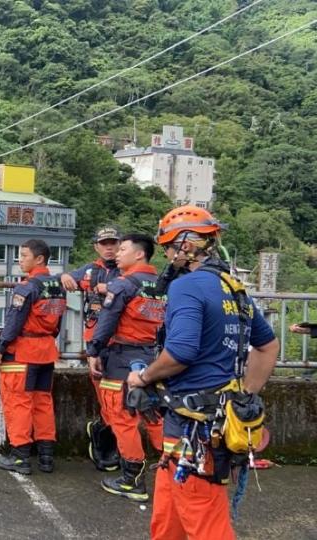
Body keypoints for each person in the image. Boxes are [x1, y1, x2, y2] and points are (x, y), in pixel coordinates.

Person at [126, 205, 279, 540]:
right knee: (168, 519)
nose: (167, 254)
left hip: (194, 428)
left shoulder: (187, 287)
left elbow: (179, 353)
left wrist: (143, 376)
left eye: (168, 246)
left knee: (205, 522)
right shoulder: (233, 289)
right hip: (206, 423)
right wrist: (244, 397)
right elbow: (268, 347)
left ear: (185, 245)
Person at [85, 233, 165, 500]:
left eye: (123, 249)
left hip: (120, 359)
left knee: (122, 418)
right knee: (153, 415)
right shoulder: (163, 285)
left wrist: (94, 350)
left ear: (139, 254)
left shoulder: (123, 285)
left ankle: (132, 478)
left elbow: (107, 321)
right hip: (154, 358)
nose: (117, 253)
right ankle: (176, 467)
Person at [0, 239, 66, 475]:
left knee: (18, 403)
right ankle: (46, 456)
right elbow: (58, 324)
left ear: (39, 259)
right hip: (46, 350)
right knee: (43, 402)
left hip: (23, 351)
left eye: (24, 256)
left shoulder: (26, 287)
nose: (19, 260)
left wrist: (0, 348)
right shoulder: (57, 287)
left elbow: (13, 322)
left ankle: (21, 457)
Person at [61, 226, 122, 471]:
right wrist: (64, 276)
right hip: (96, 341)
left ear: (121, 245)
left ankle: (108, 436)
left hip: (123, 342)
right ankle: (106, 438)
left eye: (113, 242)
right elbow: (64, 280)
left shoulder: (128, 271)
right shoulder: (89, 271)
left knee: (121, 397)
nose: (109, 247)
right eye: (104, 243)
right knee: (103, 393)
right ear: (96, 246)